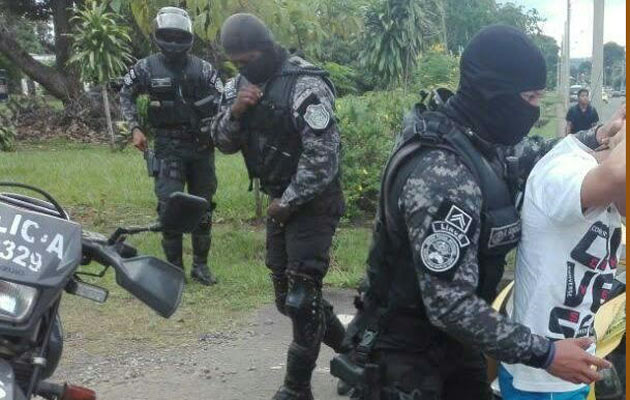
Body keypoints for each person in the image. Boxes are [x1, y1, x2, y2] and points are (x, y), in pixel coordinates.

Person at [338, 25, 614, 400]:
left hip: (453, 348)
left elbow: (534, 154)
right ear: (494, 94)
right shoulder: (442, 173)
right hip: (404, 358)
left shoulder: (479, 141)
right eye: (530, 98)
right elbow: (449, 304)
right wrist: (546, 353)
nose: (534, 111)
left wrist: (598, 135)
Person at [211, 13, 347, 400]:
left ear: (267, 49)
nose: (243, 69)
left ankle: (296, 389)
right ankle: (356, 353)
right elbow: (220, 141)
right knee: (288, 301)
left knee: (303, 298)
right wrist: (237, 111)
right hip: (278, 202)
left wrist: (289, 202)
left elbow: (324, 156)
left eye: (248, 60)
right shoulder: (237, 87)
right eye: (236, 64)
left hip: (314, 200)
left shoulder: (304, 83)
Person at [500, 109, 626, 400]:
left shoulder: (598, 178)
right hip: (545, 374)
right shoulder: (565, 172)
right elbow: (618, 174)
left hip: (567, 365)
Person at [120, 7, 222, 286]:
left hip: (202, 147)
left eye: (180, 37)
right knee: (170, 208)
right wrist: (135, 127)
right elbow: (125, 93)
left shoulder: (204, 69)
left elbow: (223, 97)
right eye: (169, 36)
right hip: (167, 147)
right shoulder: (145, 67)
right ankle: (174, 269)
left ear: (189, 37)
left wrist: (217, 127)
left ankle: (201, 267)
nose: (175, 42)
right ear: (158, 36)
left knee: (203, 207)